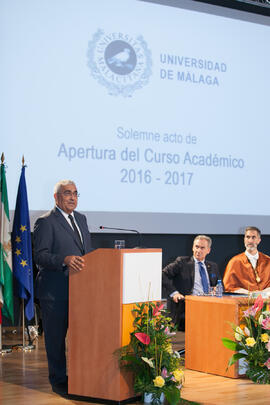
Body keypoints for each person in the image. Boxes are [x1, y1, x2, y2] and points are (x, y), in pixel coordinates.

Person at [33, 180, 92, 396]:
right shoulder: (45, 222)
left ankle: (80, 377)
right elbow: (40, 256)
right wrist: (64, 259)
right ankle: (58, 381)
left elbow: (87, 252)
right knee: (56, 341)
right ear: (56, 197)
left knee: (81, 338)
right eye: (67, 193)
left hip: (80, 291)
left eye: (76, 193)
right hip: (55, 292)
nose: (72, 197)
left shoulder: (82, 219)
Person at [162, 235, 220, 330]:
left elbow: (220, 285)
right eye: (196, 247)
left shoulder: (213, 266)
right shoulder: (182, 262)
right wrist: (174, 293)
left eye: (202, 248)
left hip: (210, 306)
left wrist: (216, 289)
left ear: (208, 250)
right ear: (193, 247)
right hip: (188, 306)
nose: (198, 250)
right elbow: (163, 274)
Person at [223, 226, 270, 294]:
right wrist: (250, 294)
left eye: (253, 237)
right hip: (243, 301)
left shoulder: (268, 261)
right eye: (247, 237)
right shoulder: (234, 262)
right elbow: (228, 287)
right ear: (244, 239)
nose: (250, 241)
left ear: (259, 240)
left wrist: (264, 293)